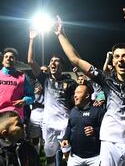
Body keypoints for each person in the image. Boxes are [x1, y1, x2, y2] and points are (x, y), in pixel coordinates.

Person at [56, 8, 125, 166]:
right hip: (109, 141)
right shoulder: (105, 79)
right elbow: (75, 59)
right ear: (113, 62)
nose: (120, 60)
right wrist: (61, 34)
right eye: (117, 56)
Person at [28, 28, 77, 166]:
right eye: (51, 61)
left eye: (57, 61)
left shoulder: (70, 82)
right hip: (48, 125)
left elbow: (74, 104)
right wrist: (32, 39)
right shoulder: (45, 79)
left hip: (64, 124)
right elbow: (31, 61)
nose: (53, 63)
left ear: (61, 65)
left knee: (68, 157)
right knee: (50, 157)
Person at [61, 83, 105, 166]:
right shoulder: (73, 111)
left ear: (87, 95)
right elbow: (70, 126)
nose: (75, 95)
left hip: (94, 157)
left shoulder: (98, 111)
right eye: (74, 93)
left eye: (78, 92)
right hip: (75, 157)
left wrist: (95, 131)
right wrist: (66, 138)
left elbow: (107, 130)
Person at [0, 47, 35, 120]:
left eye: (11, 57)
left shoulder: (23, 77)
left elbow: (31, 96)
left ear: (16, 61)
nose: (8, 58)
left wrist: (24, 101)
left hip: (15, 118)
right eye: (6, 57)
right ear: (2, 61)